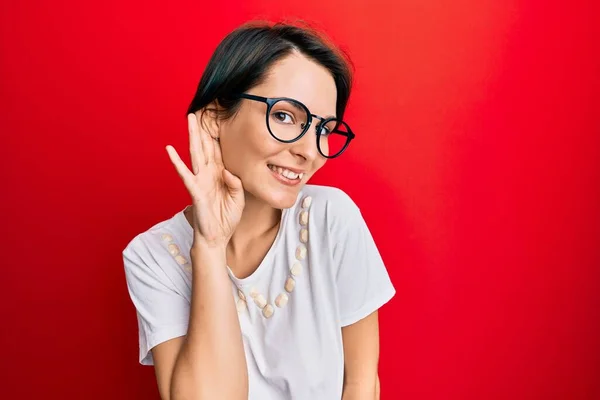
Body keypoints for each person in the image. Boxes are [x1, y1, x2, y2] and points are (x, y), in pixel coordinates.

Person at [122, 20, 395, 400]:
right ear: (214, 117)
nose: (311, 151)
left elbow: (362, 384)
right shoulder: (152, 257)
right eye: (285, 116)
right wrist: (211, 245)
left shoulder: (331, 219)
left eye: (323, 129)